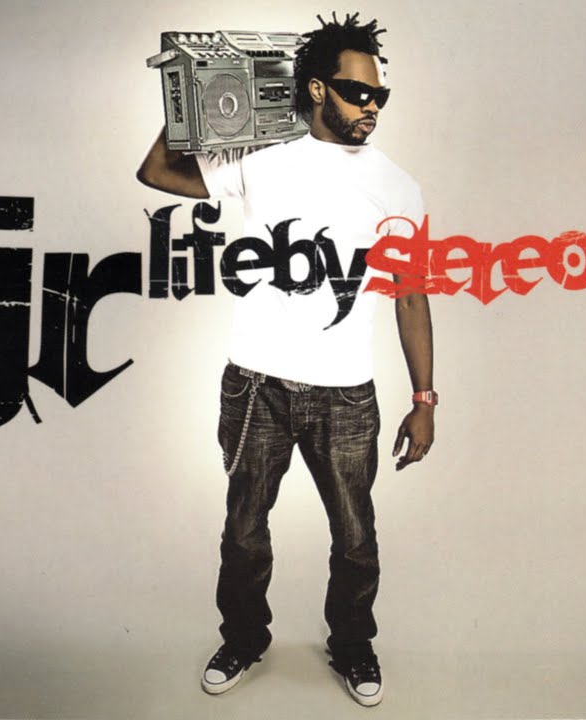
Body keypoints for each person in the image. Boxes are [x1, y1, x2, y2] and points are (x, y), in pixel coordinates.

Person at [135, 12, 436, 708]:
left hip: (346, 393)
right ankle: (243, 639)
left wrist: (424, 400)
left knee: (356, 539)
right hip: (256, 383)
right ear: (317, 90)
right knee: (244, 532)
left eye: (380, 95)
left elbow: (412, 296)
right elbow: (156, 171)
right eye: (358, 93)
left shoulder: (399, 188)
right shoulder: (262, 159)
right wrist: (190, 91)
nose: (372, 106)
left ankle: (352, 647)